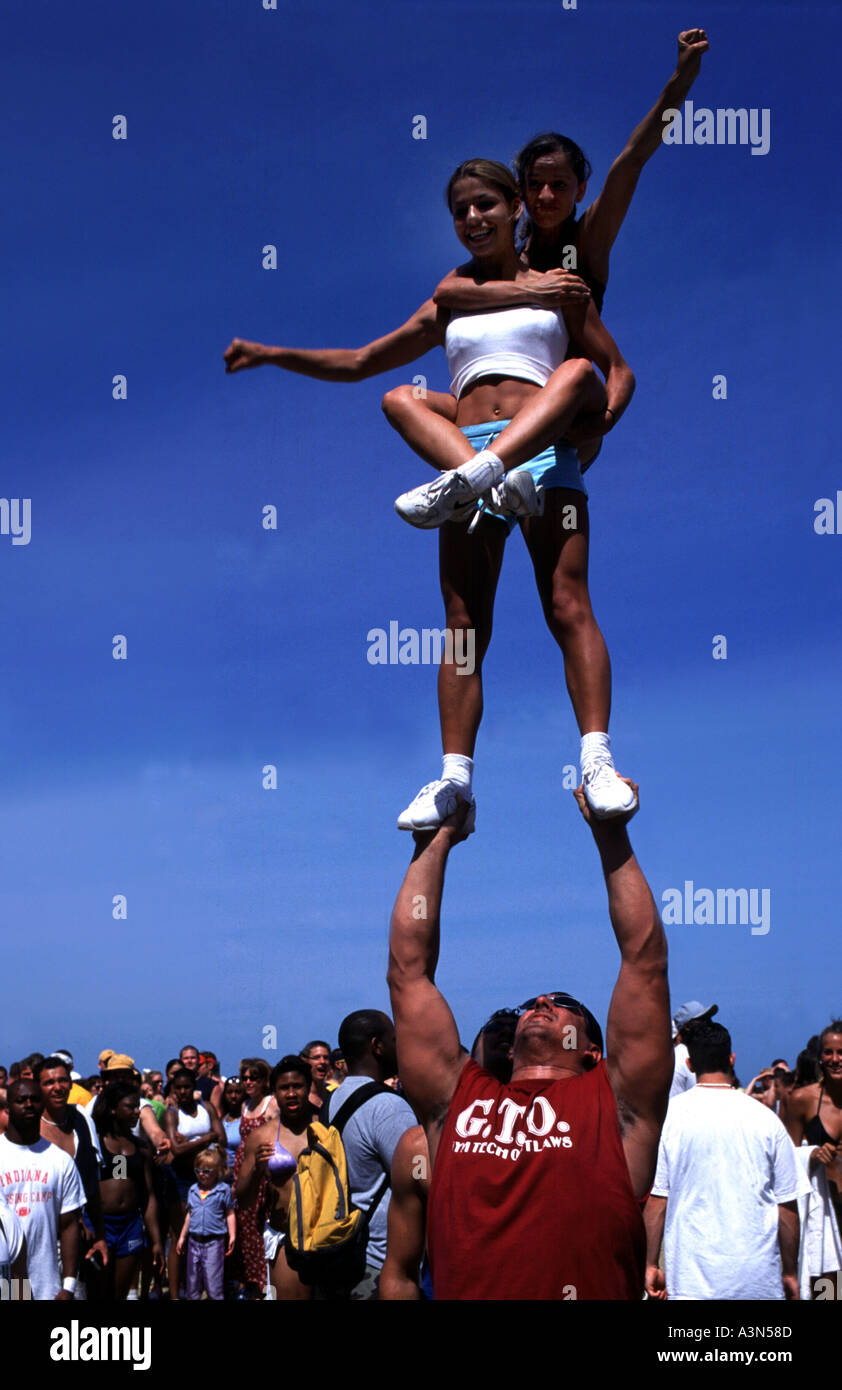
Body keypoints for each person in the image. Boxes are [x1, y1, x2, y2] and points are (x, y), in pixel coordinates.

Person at [225, 160, 637, 827]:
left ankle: (595, 760)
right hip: (464, 450)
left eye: (486, 206)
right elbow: (362, 361)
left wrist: (601, 425)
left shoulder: (559, 288)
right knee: (464, 628)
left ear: (514, 209)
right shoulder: (448, 300)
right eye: (461, 211)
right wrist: (274, 354)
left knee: (568, 604)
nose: (473, 219)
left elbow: (616, 372)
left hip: (544, 451)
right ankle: (455, 782)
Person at [388, 782, 671, 1300]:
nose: (540, 1002)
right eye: (531, 1003)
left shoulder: (618, 1104)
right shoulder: (457, 1099)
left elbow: (644, 961)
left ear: (593, 1050)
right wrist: (434, 842)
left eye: (562, 1001)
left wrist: (612, 836)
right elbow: (409, 974)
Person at [645, 1021, 802, 1301]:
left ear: (690, 1064)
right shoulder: (767, 1119)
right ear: (731, 1059)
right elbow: (787, 1205)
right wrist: (790, 1272)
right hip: (758, 1281)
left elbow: (658, 1200)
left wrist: (650, 1264)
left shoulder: (669, 1118)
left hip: (691, 1281)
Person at [380, 1011, 516, 1300]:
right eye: (494, 1028)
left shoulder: (563, 1137)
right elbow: (399, 1273)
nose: (505, 1032)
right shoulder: (420, 1147)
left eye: (514, 1032)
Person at [325, 1011, 417, 1300]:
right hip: (380, 1260)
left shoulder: (332, 1100)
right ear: (377, 1046)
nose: (399, 1046)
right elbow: (420, 1178)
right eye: (394, 1039)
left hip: (341, 1251)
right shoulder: (389, 1106)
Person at [235, 1058, 315, 1301]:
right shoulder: (262, 1136)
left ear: (308, 1087)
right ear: (275, 1091)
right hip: (285, 1236)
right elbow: (242, 1197)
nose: (291, 1093)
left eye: (298, 1086)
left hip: (326, 1235)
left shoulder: (325, 1127)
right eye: (284, 1088)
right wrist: (258, 1170)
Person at [0, 1079, 85, 1300]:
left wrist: (68, 1286)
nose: (28, 1104)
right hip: (6, 1283)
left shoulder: (60, 1160)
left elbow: (69, 1225)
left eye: (35, 1099)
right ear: (8, 1107)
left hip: (48, 1286)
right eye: (21, 1100)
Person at [35, 1056, 109, 1287]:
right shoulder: (27, 1127)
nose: (57, 1087)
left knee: (73, 1297)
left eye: (63, 1080)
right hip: (32, 1240)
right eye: (49, 1082)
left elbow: (93, 1184)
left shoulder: (82, 1119)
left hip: (76, 1239)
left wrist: (99, 1235)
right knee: (20, 1292)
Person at [93, 1083, 165, 1299]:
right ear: (113, 1109)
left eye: (138, 1107)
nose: (136, 1111)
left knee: (120, 1291)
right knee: (99, 1291)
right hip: (101, 1224)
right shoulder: (95, 1142)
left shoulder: (140, 1147)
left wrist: (156, 1240)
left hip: (130, 1224)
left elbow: (148, 1195)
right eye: (130, 1107)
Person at [232, 1058, 278, 1298]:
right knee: (245, 1229)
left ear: (264, 1080)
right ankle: (249, 1282)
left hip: (262, 1171)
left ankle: (265, 1282)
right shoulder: (245, 1104)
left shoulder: (271, 1104)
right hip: (243, 1171)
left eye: (253, 1078)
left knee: (262, 1226)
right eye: (245, 1078)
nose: (248, 1082)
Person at [177, 1146, 235, 1301]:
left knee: (213, 1284)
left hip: (214, 1243)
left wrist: (232, 1235)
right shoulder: (193, 1190)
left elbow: (230, 1213)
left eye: (206, 1171)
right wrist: (182, 1237)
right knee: (192, 1284)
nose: (201, 1174)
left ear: (217, 1171)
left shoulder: (223, 1190)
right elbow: (189, 1215)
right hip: (194, 1242)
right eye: (198, 1171)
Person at [669, 1001, 717, 1100]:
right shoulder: (677, 1060)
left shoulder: (705, 1055)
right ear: (687, 1027)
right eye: (703, 1020)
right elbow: (673, 1103)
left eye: (709, 1019)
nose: (709, 1024)